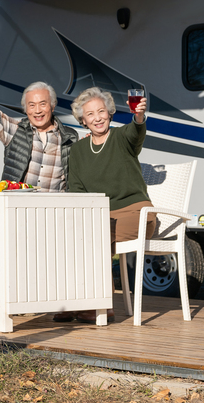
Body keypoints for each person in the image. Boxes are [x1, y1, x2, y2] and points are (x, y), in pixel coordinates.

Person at [0, 51, 79, 279]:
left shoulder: (71, 137)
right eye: (31, 105)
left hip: (55, 213)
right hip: (17, 210)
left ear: (52, 105)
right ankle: (12, 291)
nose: (37, 110)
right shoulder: (14, 130)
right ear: (25, 109)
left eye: (42, 104)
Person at [66, 86, 157, 323]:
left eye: (101, 111)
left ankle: (101, 305)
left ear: (110, 113)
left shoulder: (122, 137)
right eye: (90, 114)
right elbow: (76, 189)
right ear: (83, 120)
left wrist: (138, 116)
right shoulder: (77, 151)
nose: (97, 118)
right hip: (101, 217)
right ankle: (71, 301)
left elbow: (137, 133)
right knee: (70, 234)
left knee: (99, 233)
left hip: (137, 213)